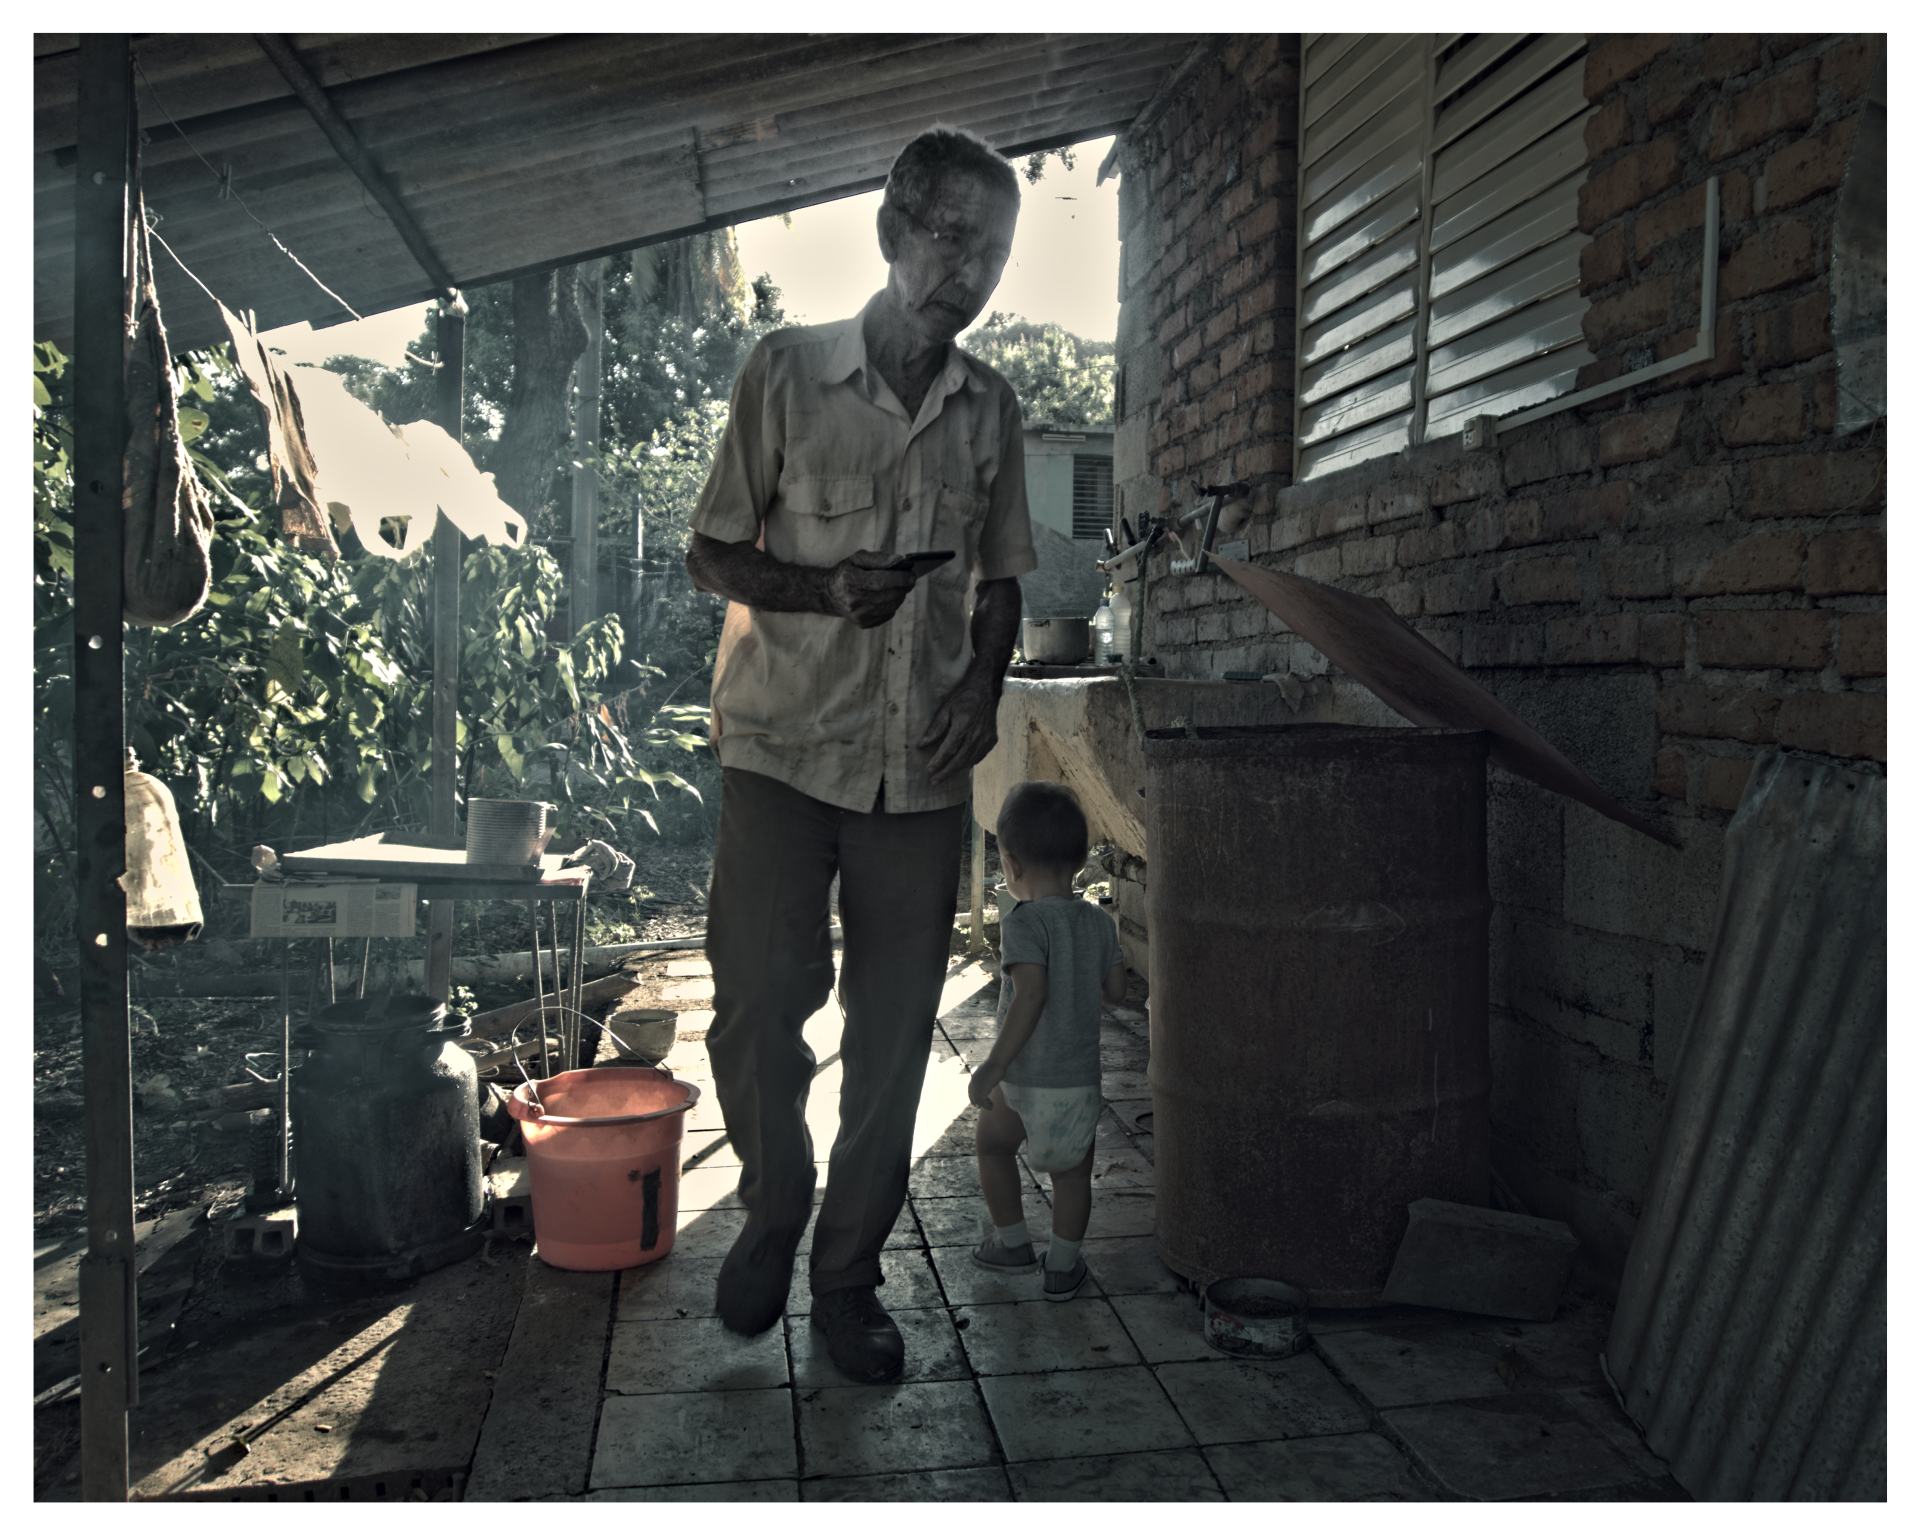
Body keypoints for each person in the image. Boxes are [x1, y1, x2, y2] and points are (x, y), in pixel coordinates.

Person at [683, 126, 1035, 1383]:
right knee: (756, 1010)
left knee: (892, 1042)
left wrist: (987, 689)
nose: (970, 271)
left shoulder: (992, 407)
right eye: (951, 239)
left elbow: (1001, 585)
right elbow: (711, 554)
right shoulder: (783, 373)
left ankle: (845, 1278)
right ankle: (773, 1210)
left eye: (992, 252)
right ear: (891, 232)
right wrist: (829, 590)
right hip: (780, 751)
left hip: (920, 774)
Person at [967, 781, 1127, 1300]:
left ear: (1010, 864)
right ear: (1080, 860)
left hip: (1019, 1078)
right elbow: (1116, 992)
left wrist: (992, 1066)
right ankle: (1061, 1268)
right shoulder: (1100, 923)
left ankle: (1012, 1243)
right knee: (1073, 1174)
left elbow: (1029, 996)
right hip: (1076, 1077)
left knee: (993, 1148)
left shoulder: (1024, 923)